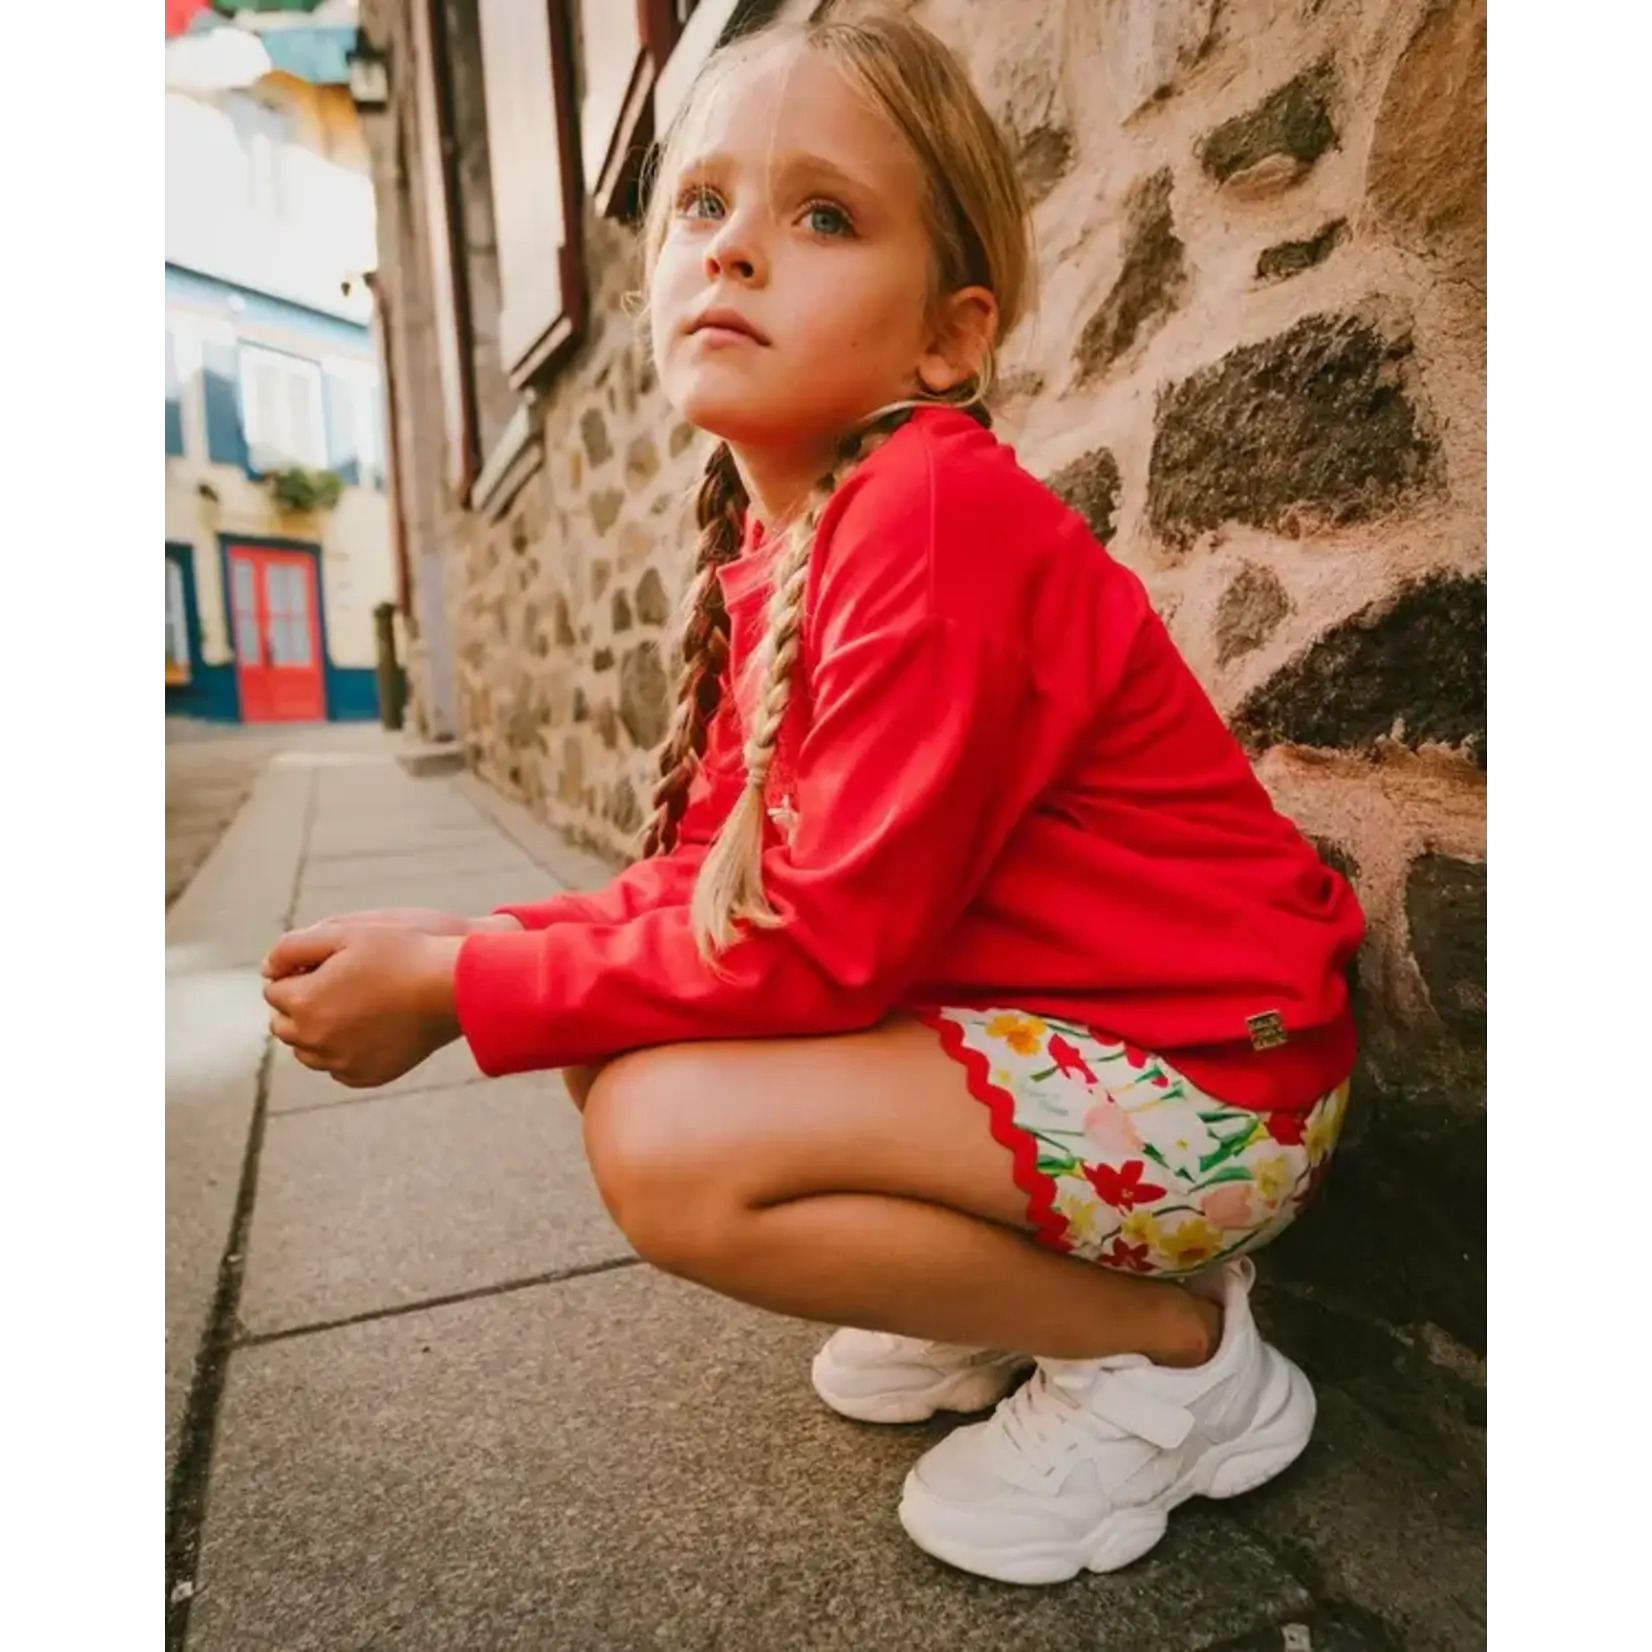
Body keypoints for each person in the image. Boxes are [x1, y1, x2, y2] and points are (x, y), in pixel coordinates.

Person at [262, 4, 1363, 1587]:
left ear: (951, 337)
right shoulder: (797, 542)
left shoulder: (927, 519)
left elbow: (815, 950)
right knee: (621, 1040)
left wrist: (459, 986)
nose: (734, 251)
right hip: (1081, 1048)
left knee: (666, 1140)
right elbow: (717, 881)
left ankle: (1169, 1358)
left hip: (1215, 1095)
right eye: (702, 205)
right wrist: (483, 934)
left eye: (823, 216)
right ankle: (990, 1305)